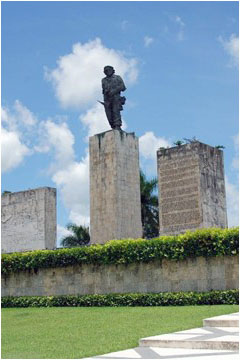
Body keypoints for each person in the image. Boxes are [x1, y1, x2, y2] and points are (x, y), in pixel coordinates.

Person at [101, 65, 126, 130]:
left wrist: (114, 91)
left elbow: (123, 87)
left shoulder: (117, 77)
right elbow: (104, 90)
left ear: (112, 70)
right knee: (108, 114)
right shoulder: (103, 80)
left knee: (116, 111)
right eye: (105, 71)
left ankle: (117, 125)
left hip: (116, 97)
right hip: (107, 99)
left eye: (108, 70)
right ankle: (112, 126)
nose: (107, 72)